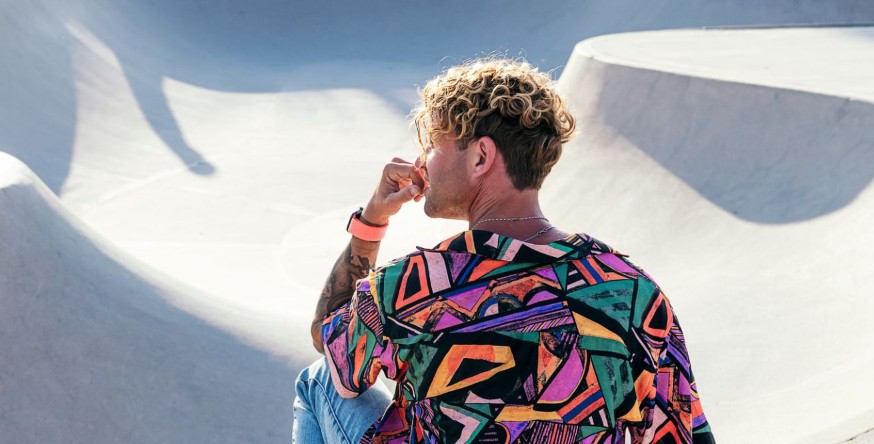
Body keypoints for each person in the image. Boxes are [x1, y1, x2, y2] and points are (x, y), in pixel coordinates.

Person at [293, 58, 715, 443]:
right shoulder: (631, 292)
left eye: (435, 145)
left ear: (481, 157)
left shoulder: (412, 287)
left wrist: (372, 220)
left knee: (317, 381)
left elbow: (328, 343)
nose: (422, 164)